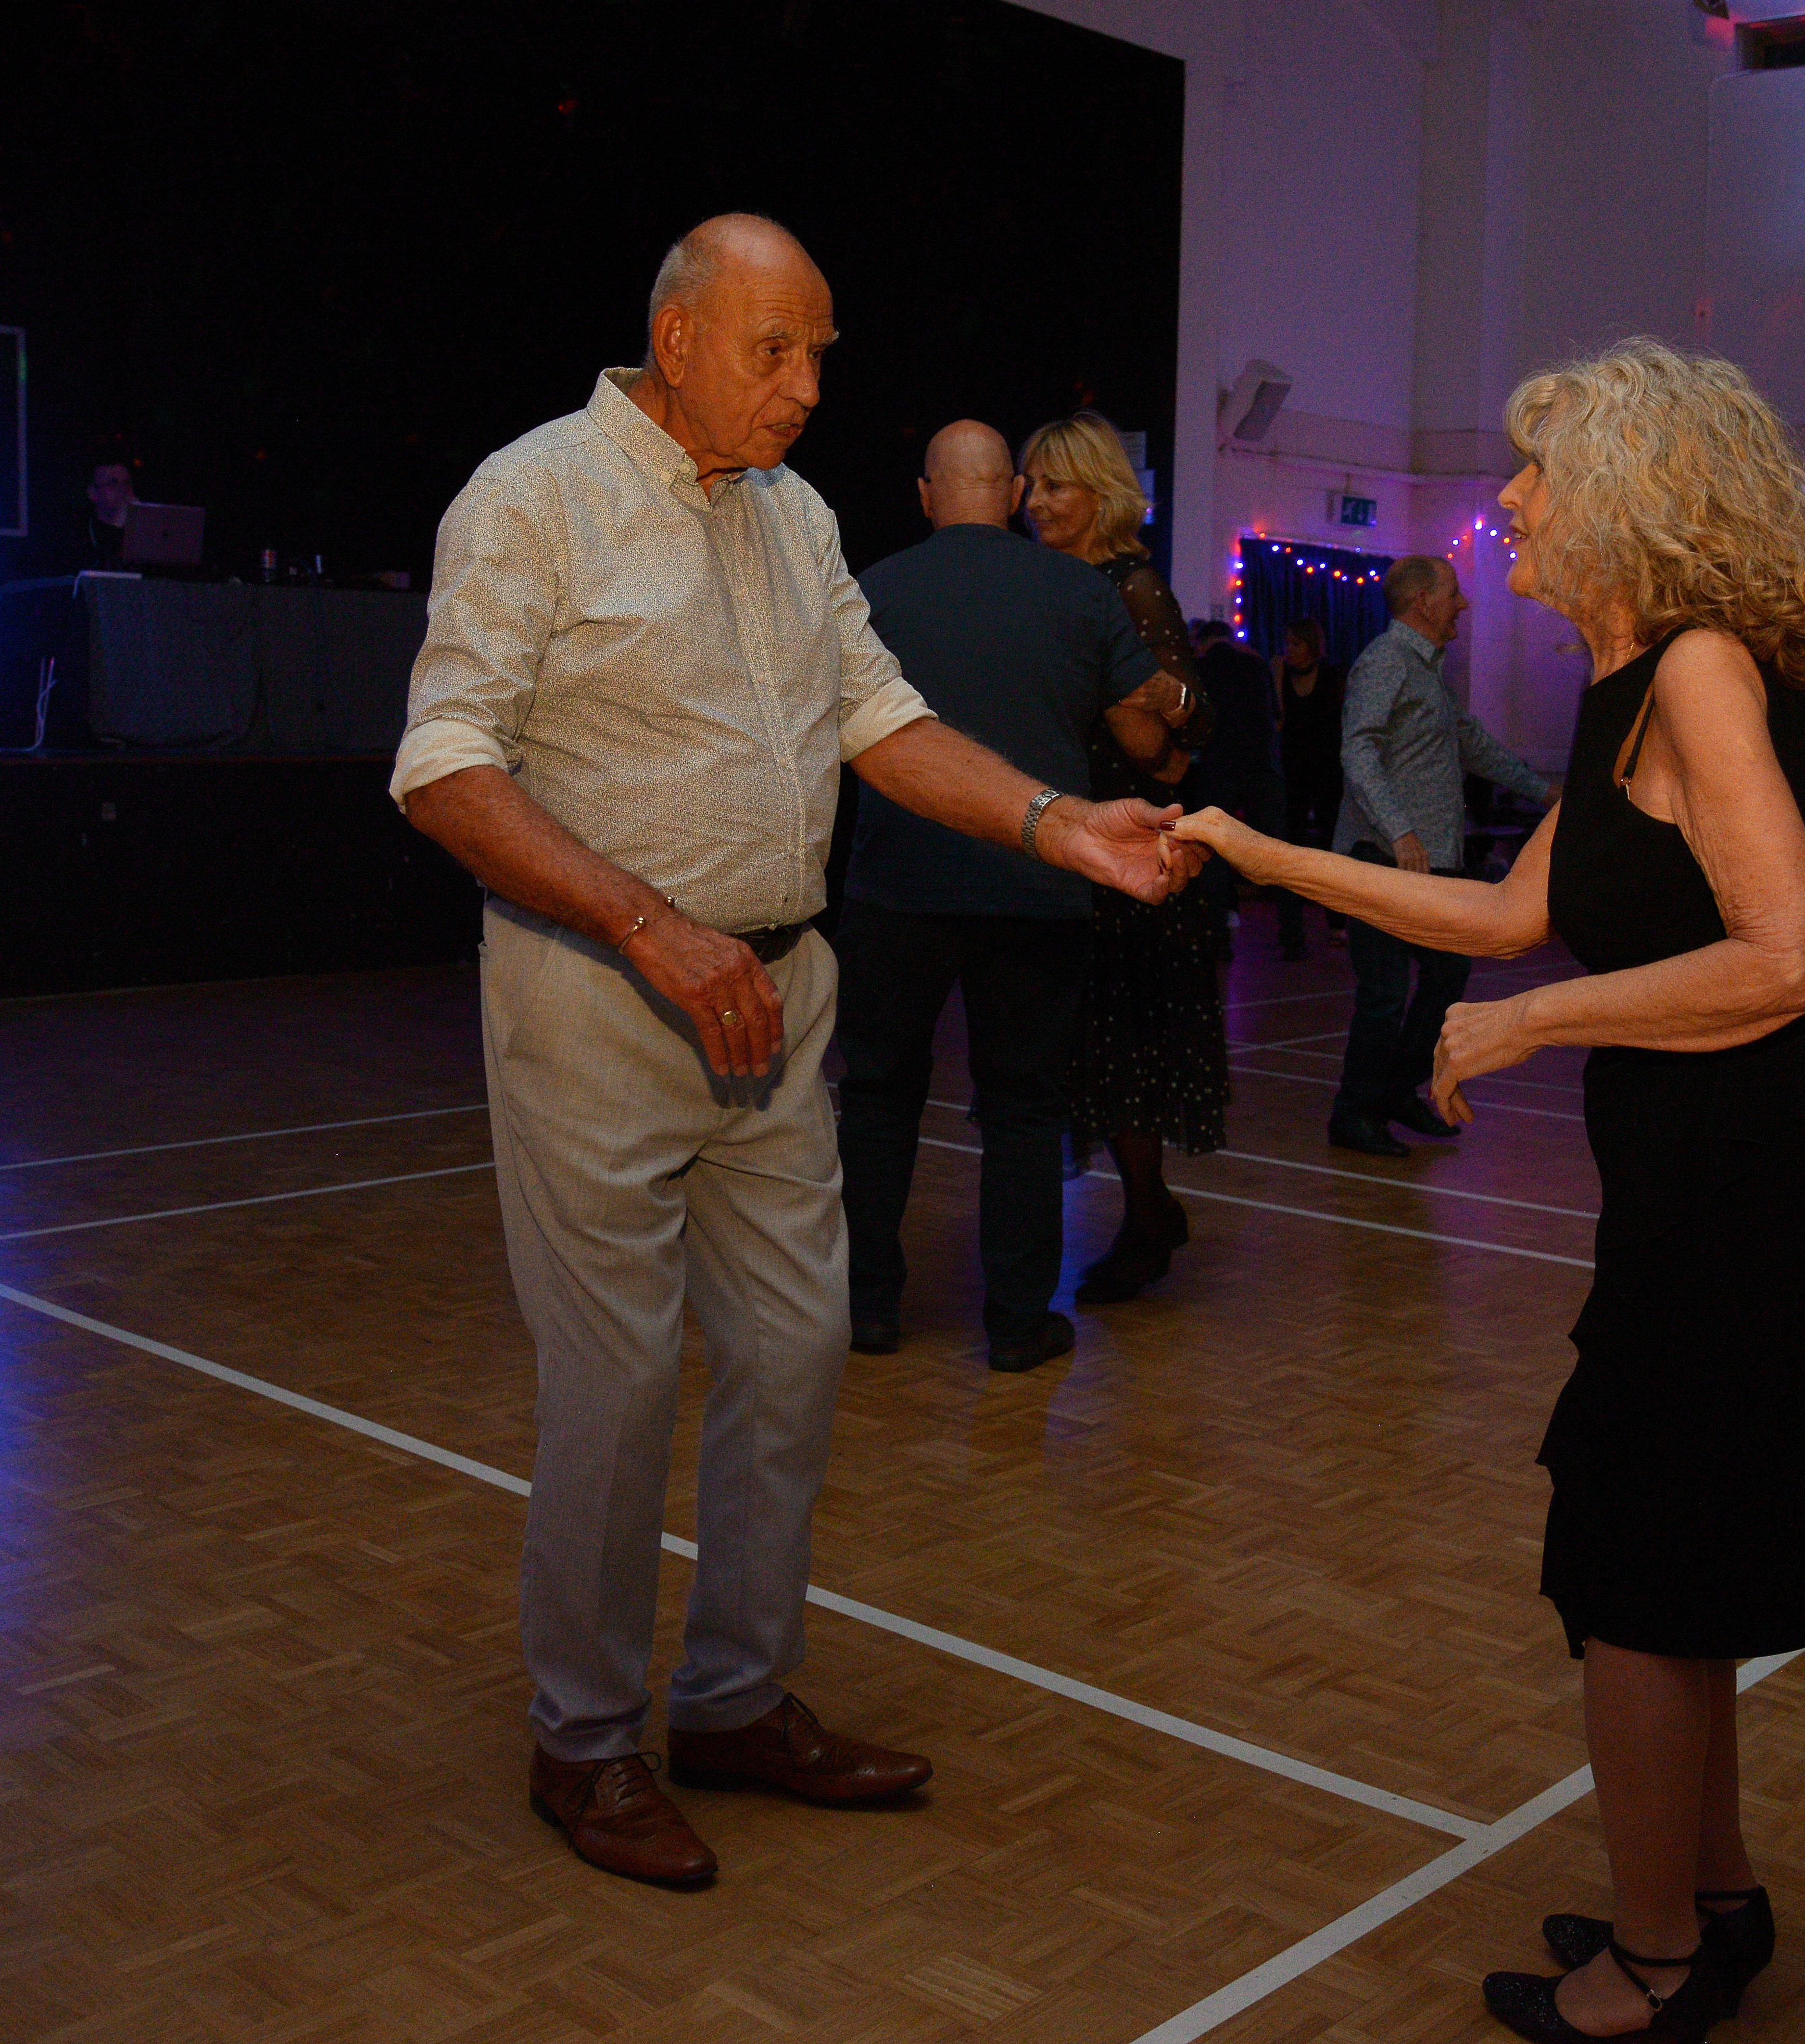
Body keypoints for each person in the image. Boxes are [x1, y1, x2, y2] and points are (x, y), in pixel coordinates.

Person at [392, 216, 1200, 1890]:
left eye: (820, 352)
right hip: (598, 996)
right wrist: (648, 923)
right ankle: (583, 1737)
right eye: (776, 351)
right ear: (679, 339)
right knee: (616, 1385)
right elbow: (444, 763)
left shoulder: (794, 512)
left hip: (780, 1000)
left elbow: (874, 717)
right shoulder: (532, 495)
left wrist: (1057, 823)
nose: (808, 385)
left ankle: (736, 1700)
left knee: (797, 1346)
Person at [1174, 338, 1805, 2043]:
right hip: (1694, 1186)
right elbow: (1502, 913)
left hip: (1745, 1199)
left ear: (1629, 496)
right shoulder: (1629, 683)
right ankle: (1709, 1899)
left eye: (1539, 470)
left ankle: (1653, 1963)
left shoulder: (1699, 668)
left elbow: (1785, 957)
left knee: (1631, 1581)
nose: (1508, 497)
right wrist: (1259, 851)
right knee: (1670, 1572)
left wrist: (1529, 1024)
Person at [834, 422, 1184, 1374]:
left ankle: (867, 1306)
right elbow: (1143, 735)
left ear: (925, 494)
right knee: (1024, 1107)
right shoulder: (1080, 590)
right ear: (1017, 490)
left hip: (897, 882)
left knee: (876, 1098)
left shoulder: (869, 589)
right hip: (1037, 883)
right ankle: (1020, 1322)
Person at [1022, 412, 1226, 1302]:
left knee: (1125, 1051)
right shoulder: (1048, 586)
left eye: (1054, 484)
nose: (1035, 501)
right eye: (1030, 484)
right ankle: (1150, 1209)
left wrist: (1142, 694)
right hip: (1067, 845)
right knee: (1090, 1052)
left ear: (1099, 491)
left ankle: (1147, 1217)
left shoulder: (1129, 585)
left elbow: (1180, 733)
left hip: (1133, 856)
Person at [1327, 554, 1556, 1157]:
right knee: (1383, 992)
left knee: (1448, 976)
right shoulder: (1385, 661)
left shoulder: (1428, 670)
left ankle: (1397, 1091)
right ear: (1423, 601)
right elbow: (1358, 751)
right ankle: (1354, 1113)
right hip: (1384, 858)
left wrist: (1546, 792)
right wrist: (1400, 831)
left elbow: (1472, 745)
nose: (1463, 604)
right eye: (1453, 593)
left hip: (1431, 862)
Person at [1185, 617, 1285, 958]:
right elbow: (1276, 715)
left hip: (1218, 766)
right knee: (1278, 851)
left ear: (1202, 642)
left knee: (1212, 852)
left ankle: (1218, 936)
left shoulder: (1199, 668)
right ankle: (1293, 934)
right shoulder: (1256, 665)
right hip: (1261, 765)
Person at [1271, 617, 1348, 960]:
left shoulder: (1332, 675)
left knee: (1332, 843)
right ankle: (1292, 929)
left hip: (1329, 770)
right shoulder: (1281, 673)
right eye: (1287, 643)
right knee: (1292, 845)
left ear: (1311, 646)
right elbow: (1279, 720)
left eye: (1296, 643)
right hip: (1294, 770)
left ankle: (1337, 923)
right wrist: (1277, 677)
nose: (1289, 650)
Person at [85, 459, 135, 568]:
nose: (123, 490)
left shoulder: (145, 530)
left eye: (126, 483)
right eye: (113, 484)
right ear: (92, 493)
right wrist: (116, 524)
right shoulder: (77, 532)